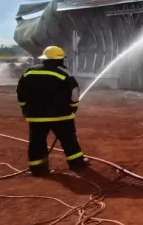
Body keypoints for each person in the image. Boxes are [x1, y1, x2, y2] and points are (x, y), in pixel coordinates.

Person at [16, 45, 89, 176]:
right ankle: (77, 163)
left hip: (36, 116)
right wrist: (73, 107)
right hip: (61, 116)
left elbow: (20, 92)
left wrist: (24, 108)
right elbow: (74, 92)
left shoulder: (29, 72)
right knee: (69, 140)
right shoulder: (63, 73)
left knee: (37, 141)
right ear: (60, 59)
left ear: (44, 59)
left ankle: (38, 168)